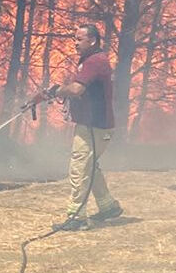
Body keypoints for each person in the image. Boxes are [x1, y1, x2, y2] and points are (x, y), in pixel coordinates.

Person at [32, 23, 123, 230]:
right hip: (96, 125)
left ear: (92, 40)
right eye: (75, 39)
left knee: (80, 168)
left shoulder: (94, 62)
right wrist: (55, 91)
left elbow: (75, 90)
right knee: (89, 166)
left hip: (94, 126)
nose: (75, 43)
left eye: (79, 39)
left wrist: (55, 91)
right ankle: (108, 207)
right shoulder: (93, 60)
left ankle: (77, 218)